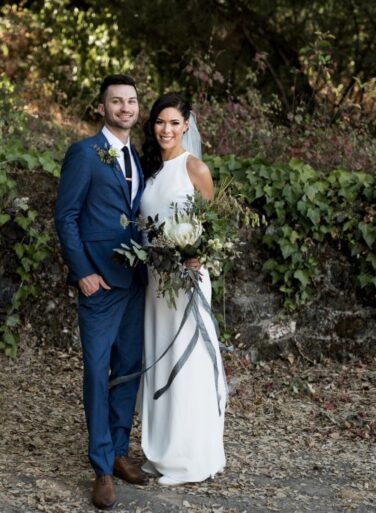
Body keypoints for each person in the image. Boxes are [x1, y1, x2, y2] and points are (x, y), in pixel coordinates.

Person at [54, 74, 149, 510]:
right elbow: (66, 217)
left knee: (128, 367)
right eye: (117, 101)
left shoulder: (139, 159)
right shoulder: (85, 153)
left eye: (131, 101)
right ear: (102, 108)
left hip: (135, 283)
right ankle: (101, 469)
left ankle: (119, 450)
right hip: (99, 285)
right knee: (97, 371)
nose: (125, 108)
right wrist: (83, 273)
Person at [138, 93, 227, 485]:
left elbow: (211, 230)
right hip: (157, 283)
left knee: (186, 362)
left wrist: (198, 256)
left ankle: (190, 456)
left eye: (174, 123)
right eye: (160, 122)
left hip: (187, 282)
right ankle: (160, 451)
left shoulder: (196, 169)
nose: (166, 130)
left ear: (187, 125)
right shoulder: (152, 171)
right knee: (158, 354)